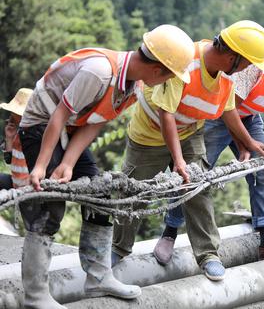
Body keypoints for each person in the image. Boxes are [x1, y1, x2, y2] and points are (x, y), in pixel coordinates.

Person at [17, 24, 194, 309]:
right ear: (158, 70)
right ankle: (35, 296)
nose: (165, 83)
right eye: (169, 77)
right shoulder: (99, 71)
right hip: (42, 124)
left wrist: (69, 162)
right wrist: (41, 166)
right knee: (50, 205)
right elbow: (59, 114)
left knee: (100, 194)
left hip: (73, 130)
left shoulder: (132, 88)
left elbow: (95, 122)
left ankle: (98, 277)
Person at [153, 24, 264, 264]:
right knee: (194, 172)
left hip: (249, 117)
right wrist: (245, 144)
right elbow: (229, 108)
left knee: (262, 171)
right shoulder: (259, 65)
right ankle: (170, 231)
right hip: (219, 113)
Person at [111, 20, 264, 281]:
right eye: (246, 63)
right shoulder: (187, 60)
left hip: (189, 132)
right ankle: (118, 249)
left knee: (197, 188)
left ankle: (208, 254)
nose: (247, 70)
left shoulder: (227, 78)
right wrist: (178, 161)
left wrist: (248, 143)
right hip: (149, 133)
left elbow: (229, 110)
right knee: (134, 191)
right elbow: (166, 114)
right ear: (232, 57)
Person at [0, 88, 32, 189]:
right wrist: (9, 138)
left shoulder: (34, 134)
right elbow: (9, 160)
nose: (12, 115)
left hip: (30, 185)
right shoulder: (17, 132)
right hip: (15, 182)